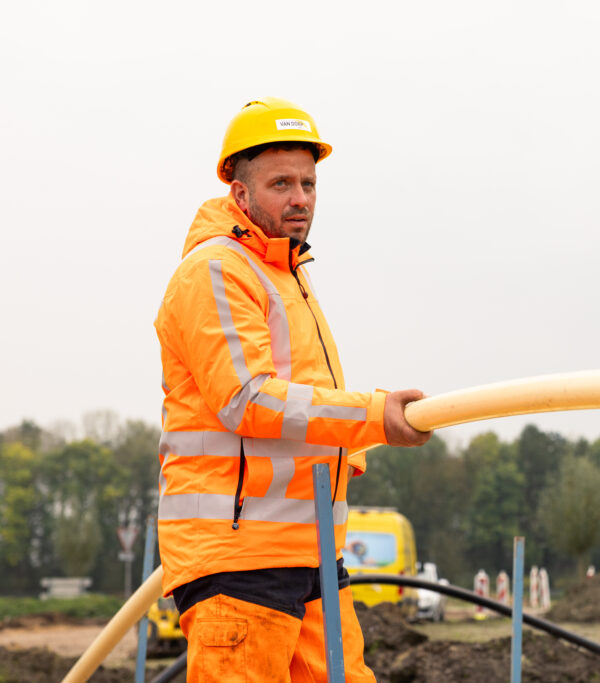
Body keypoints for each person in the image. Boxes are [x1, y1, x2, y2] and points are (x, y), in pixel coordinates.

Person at [154, 97, 432, 682]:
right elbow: (249, 398)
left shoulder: (288, 275)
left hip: (311, 555)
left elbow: (301, 398)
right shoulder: (218, 270)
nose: (300, 198)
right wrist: (376, 417)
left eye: (308, 182)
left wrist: (349, 451)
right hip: (240, 561)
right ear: (239, 192)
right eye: (281, 183)